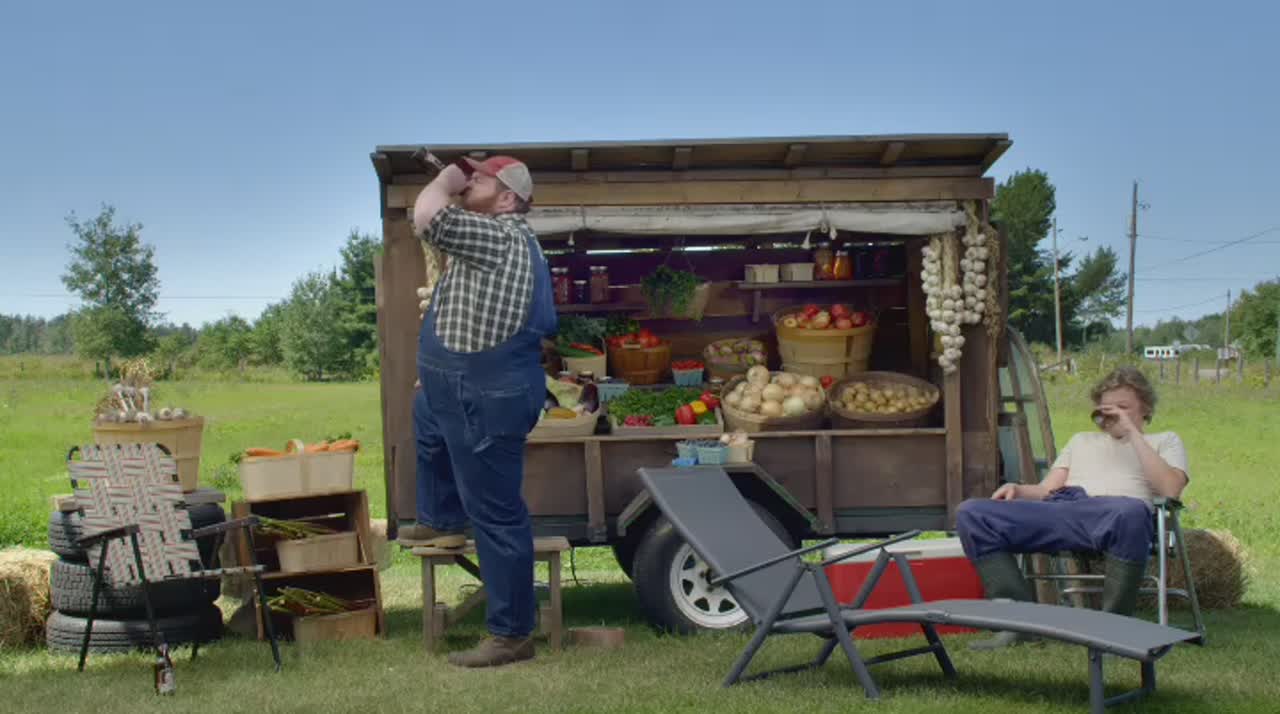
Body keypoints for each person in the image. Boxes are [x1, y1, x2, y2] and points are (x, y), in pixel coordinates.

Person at [400, 155, 555, 668]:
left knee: (496, 513)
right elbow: (468, 313)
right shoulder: (494, 240)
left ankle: (512, 635)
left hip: (486, 397)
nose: (469, 183)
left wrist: (445, 179)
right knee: (425, 413)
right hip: (461, 387)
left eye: (480, 178)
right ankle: (441, 519)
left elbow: (427, 216)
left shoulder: (500, 236)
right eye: (467, 177)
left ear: (508, 198)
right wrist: (435, 372)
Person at [955, 366, 1189, 649]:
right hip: (1064, 508)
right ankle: (1016, 624)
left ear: (1146, 408)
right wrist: (1019, 489)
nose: (1113, 415)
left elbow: (1170, 489)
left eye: (1123, 407)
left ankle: (1114, 629)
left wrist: (1131, 431)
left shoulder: (1163, 441)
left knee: (1130, 511)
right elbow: (1046, 490)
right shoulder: (1081, 441)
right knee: (972, 512)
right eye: (1107, 408)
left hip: (1119, 516)